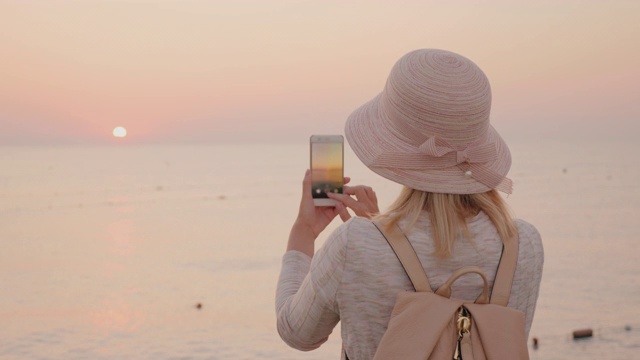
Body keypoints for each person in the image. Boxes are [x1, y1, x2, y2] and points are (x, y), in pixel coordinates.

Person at [275, 49, 544, 360]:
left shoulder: (356, 244)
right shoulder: (524, 243)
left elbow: (296, 332)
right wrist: (380, 230)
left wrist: (304, 230)